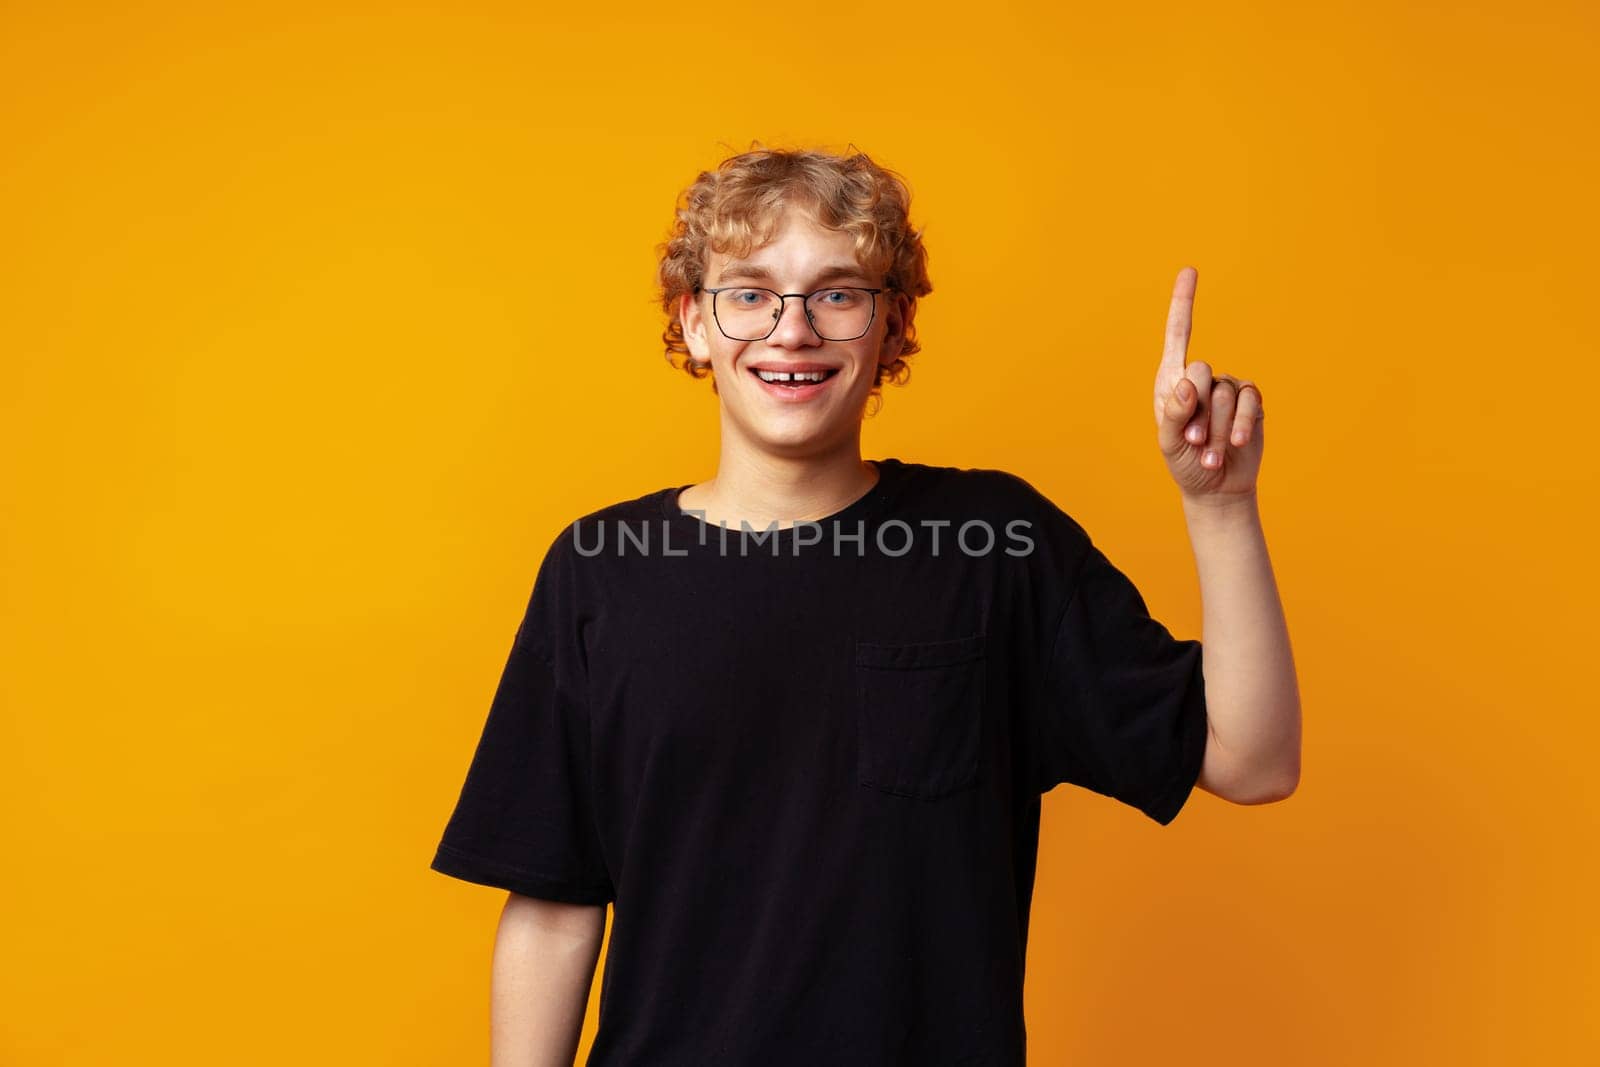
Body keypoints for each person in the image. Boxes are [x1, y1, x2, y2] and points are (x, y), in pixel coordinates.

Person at [429, 146, 1302, 1066]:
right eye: (749, 292)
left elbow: (1253, 758)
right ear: (693, 323)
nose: (791, 329)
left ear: (891, 330)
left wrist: (1219, 506)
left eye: (838, 294)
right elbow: (555, 902)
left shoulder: (998, 545)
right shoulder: (599, 570)